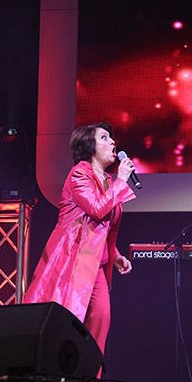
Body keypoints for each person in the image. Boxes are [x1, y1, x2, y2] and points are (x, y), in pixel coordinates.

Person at [24, 122, 137, 359]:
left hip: (94, 265)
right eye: (105, 138)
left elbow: (100, 227)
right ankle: (62, 377)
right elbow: (97, 210)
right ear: (89, 147)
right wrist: (122, 181)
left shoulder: (107, 179)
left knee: (101, 318)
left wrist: (114, 256)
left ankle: (89, 380)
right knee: (70, 320)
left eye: (111, 138)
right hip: (72, 261)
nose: (113, 142)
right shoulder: (79, 173)